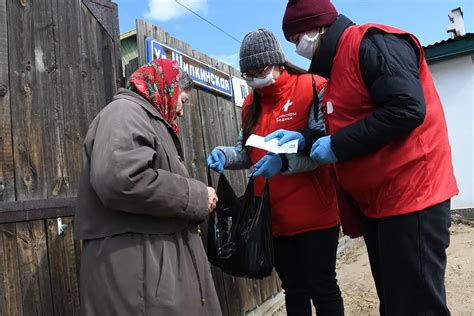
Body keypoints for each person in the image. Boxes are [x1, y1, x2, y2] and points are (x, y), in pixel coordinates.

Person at [268, 1, 459, 315]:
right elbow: (353, 128)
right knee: (395, 302)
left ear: (318, 26)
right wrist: (304, 140)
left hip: (413, 195)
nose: (297, 48)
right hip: (381, 202)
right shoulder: (334, 73)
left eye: (296, 38)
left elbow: (407, 107)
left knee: (417, 306)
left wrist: (338, 145)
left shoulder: (370, 43)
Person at [207, 29, 344, 316]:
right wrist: (225, 155)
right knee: (293, 289)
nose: (255, 78)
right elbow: (245, 151)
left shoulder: (312, 87)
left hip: (315, 214)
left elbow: (322, 149)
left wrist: (283, 163)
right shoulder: (250, 104)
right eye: (249, 74)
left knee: (322, 286)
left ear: (278, 63)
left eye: (260, 70)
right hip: (273, 217)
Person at [74, 59, 222, 315]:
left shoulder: (146, 119)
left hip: (148, 270)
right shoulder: (124, 113)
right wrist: (198, 195)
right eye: (182, 101)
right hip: (139, 277)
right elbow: (122, 179)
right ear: (168, 87)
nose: (181, 112)